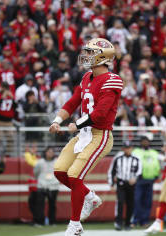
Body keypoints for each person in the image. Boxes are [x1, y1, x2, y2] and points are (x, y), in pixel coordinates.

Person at [49, 38, 122, 236]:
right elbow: (73, 102)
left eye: (91, 52)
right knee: (60, 171)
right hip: (83, 134)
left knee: (74, 175)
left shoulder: (112, 80)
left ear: (102, 56)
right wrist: (57, 120)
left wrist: (77, 124)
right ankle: (90, 196)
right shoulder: (86, 77)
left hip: (100, 135)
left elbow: (100, 113)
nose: (87, 56)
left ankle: (75, 225)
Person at [108, 141, 141, 231]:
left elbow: (139, 171)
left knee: (130, 204)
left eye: (129, 148)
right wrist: (111, 183)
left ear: (132, 148)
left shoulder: (136, 158)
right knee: (120, 202)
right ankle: (118, 223)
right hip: (121, 183)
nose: (127, 150)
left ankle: (128, 223)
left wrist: (135, 178)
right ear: (123, 149)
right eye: (126, 148)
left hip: (131, 184)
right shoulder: (118, 158)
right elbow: (112, 171)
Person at [131, 136, 161, 227]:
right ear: (140, 142)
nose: (145, 143)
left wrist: (156, 174)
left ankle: (144, 221)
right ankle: (135, 221)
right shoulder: (136, 152)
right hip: (139, 180)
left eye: (147, 141)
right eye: (143, 141)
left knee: (147, 202)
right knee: (137, 201)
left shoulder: (154, 152)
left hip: (150, 180)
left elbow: (158, 164)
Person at [31, 147, 59, 226]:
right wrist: (41, 180)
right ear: (45, 153)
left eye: (51, 152)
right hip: (42, 185)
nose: (50, 153)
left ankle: (52, 222)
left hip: (54, 186)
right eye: (48, 152)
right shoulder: (40, 162)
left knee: (52, 205)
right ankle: (39, 222)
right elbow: (35, 172)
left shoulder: (57, 162)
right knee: (40, 205)